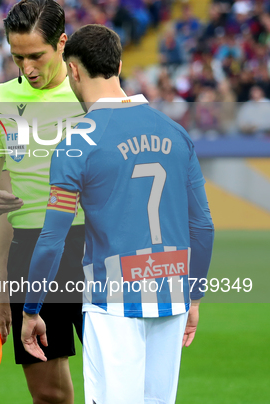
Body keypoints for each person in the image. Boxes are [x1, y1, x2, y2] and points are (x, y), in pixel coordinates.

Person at [21, 25, 215, 404]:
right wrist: (194, 297)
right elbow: (203, 227)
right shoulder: (175, 133)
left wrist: (31, 309)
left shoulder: (76, 144)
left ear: (73, 71)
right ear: (120, 64)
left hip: (112, 303)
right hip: (171, 294)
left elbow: (52, 239)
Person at [0, 1, 85, 402]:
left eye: (37, 56)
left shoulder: (89, 95)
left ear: (62, 44)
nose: (28, 68)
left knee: (117, 383)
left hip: (93, 248)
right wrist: (2, 287)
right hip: (29, 248)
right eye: (18, 57)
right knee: (49, 395)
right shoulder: (0, 100)